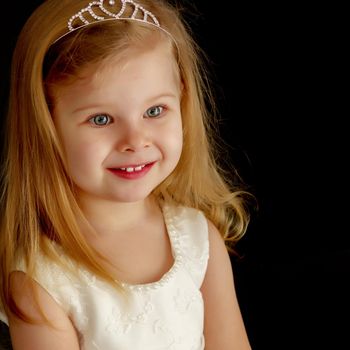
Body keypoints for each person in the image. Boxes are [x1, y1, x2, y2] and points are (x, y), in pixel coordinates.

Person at [0, 0, 252, 349]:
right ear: (47, 124)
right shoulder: (41, 281)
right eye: (101, 119)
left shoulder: (197, 239)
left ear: (181, 97)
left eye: (154, 110)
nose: (135, 141)